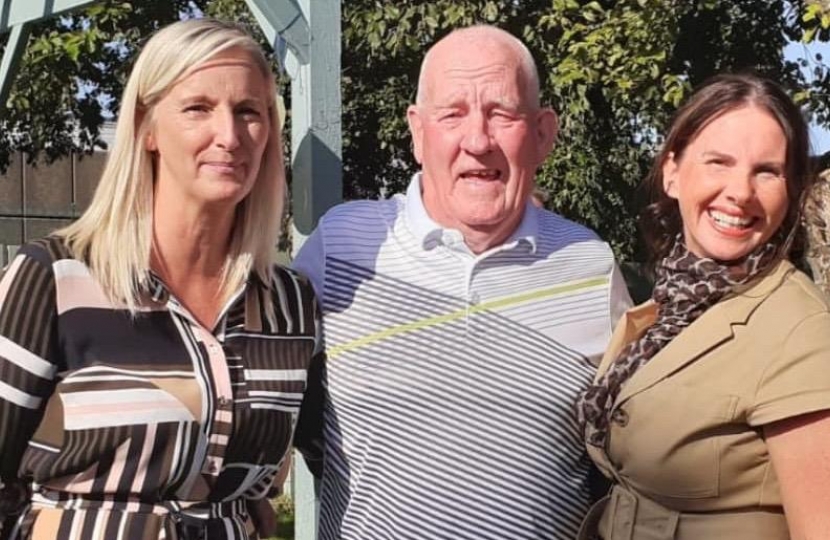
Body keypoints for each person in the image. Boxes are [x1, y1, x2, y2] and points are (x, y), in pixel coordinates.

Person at [293, 25, 631, 540]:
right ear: (417, 131)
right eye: (453, 114)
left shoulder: (591, 265)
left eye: (502, 113)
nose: (478, 141)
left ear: (543, 133)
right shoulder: (341, 246)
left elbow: (633, 456)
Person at [0, 18, 322, 540]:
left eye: (248, 112)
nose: (230, 135)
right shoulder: (56, 279)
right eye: (198, 108)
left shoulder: (291, 305)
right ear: (147, 128)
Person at [575, 73, 830, 539]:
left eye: (767, 171)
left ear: (790, 189)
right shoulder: (675, 300)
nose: (741, 192)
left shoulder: (799, 330)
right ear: (672, 172)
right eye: (719, 162)